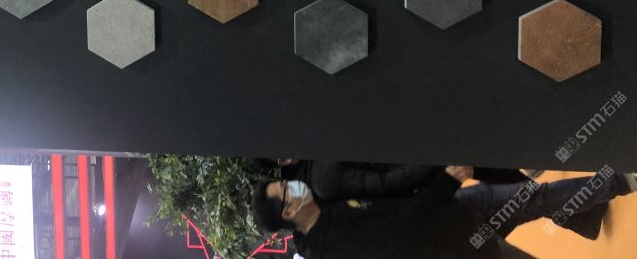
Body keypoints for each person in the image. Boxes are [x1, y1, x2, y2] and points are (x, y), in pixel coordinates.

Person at [251, 166, 637, 258]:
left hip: (456, 210)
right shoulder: (331, 245)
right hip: (460, 246)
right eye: (286, 190)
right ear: (288, 211)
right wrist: (446, 182)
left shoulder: (327, 207)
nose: (293, 185)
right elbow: (401, 230)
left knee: (534, 197)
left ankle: (622, 181)